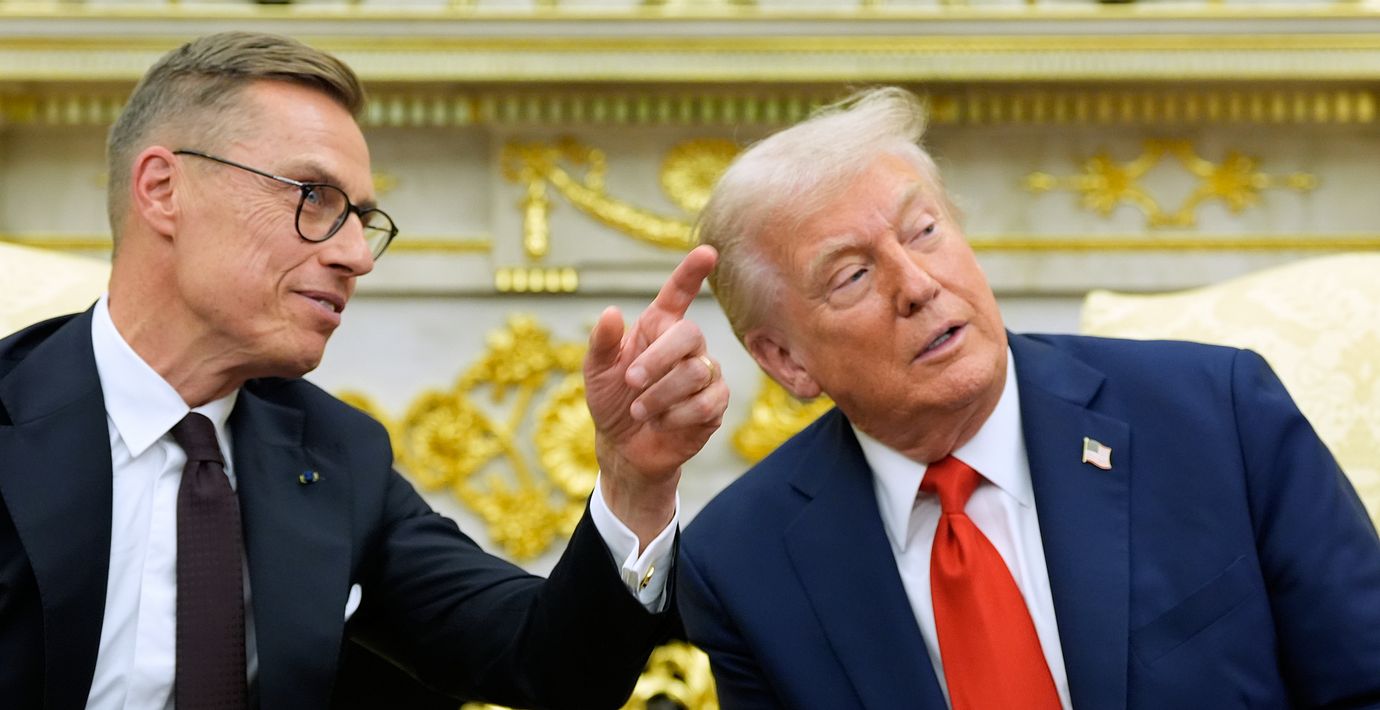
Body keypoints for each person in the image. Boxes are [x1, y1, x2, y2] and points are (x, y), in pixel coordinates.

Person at [0, 32, 729, 710]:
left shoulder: (336, 456)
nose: (355, 255)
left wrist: (634, 481)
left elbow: (547, 664)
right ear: (164, 189)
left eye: (361, 218)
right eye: (313, 196)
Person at [679, 86, 1380, 709]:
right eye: (853, 275)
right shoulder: (743, 564)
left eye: (924, 231)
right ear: (786, 360)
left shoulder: (1216, 416)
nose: (918, 284)